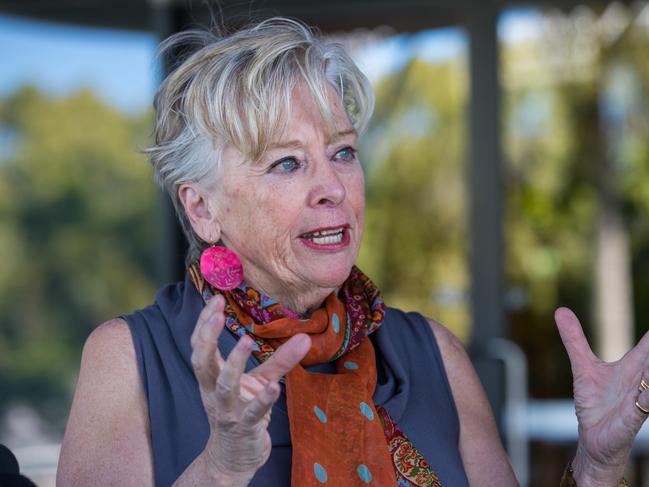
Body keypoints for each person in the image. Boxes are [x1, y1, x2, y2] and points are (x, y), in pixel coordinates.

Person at [56, 17, 649, 487]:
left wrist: (598, 467)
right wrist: (223, 466)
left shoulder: (433, 355)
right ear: (202, 209)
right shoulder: (130, 360)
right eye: (286, 163)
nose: (332, 188)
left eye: (341, 151)